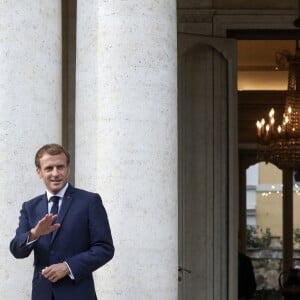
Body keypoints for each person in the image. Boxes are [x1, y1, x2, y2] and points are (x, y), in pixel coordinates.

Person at [10, 143, 114, 300]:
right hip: (42, 294)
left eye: (60, 167)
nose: (55, 173)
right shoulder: (30, 207)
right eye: (49, 168)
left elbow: (104, 248)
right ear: (39, 172)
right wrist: (34, 233)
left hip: (78, 294)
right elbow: (17, 250)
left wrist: (68, 266)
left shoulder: (89, 201)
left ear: (68, 169)